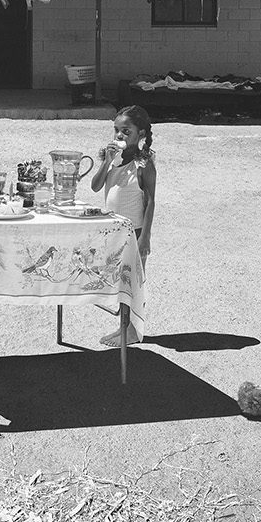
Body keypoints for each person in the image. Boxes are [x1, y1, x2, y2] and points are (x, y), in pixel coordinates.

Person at [90, 104, 156, 347]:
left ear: (140, 134)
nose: (119, 136)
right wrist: (106, 162)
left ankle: (131, 331)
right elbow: (96, 186)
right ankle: (123, 327)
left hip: (134, 233)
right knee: (119, 282)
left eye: (126, 131)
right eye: (116, 130)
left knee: (133, 284)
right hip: (113, 233)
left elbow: (150, 202)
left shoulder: (143, 164)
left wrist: (145, 238)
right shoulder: (113, 161)